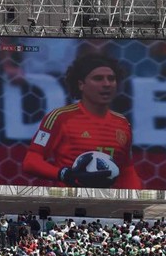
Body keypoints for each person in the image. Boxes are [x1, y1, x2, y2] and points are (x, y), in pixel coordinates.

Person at [22, 53, 142, 189]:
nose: (107, 84)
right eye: (98, 79)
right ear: (81, 85)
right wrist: (64, 174)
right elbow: (31, 161)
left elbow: (127, 170)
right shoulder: (60, 117)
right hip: (68, 205)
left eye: (111, 79)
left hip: (105, 206)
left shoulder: (122, 123)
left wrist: (137, 201)